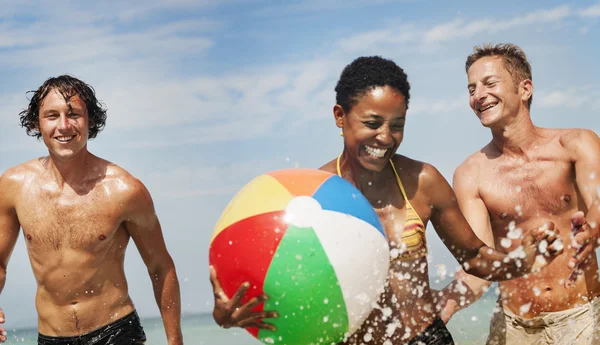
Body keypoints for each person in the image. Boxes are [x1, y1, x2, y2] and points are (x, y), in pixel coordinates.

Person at [209, 56, 565, 345]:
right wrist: (231, 317)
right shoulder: (305, 196)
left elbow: (475, 259)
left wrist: (527, 259)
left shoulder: (423, 182)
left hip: (424, 338)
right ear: (340, 117)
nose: (385, 137)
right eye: (372, 122)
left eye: (397, 125)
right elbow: (282, 296)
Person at [0, 75, 184, 345]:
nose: (63, 126)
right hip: (50, 338)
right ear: (36, 123)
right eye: (52, 116)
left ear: (92, 121)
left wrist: (175, 341)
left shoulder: (125, 190)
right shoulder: (13, 186)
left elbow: (160, 266)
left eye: (73, 114)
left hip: (116, 332)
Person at [438, 43, 600, 344]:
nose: (478, 95)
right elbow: (480, 265)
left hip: (581, 319)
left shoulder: (576, 144)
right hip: (512, 327)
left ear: (524, 89)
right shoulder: (470, 174)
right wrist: (442, 304)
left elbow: (598, 205)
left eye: (489, 83)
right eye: (472, 88)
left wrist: (591, 232)